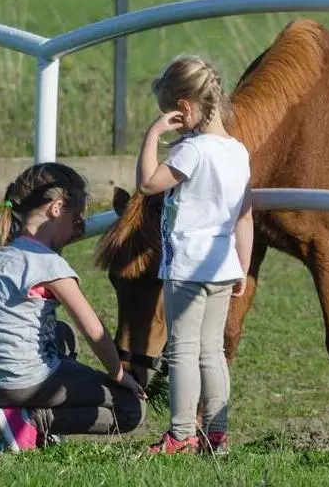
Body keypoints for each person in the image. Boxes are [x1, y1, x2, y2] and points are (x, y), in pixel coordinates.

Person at [0, 162, 147, 452]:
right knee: (130, 408)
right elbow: (92, 329)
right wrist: (118, 374)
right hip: (22, 382)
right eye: (76, 220)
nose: (78, 230)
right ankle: (33, 420)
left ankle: (26, 418)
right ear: (57, 208)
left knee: (61, 332)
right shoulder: (50, 266)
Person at [137, 55, 253, 455]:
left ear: (184, 107)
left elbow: (148, 183)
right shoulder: (238, 152)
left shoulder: (192, 151)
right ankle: (216, 432)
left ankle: (182, 432)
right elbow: (245, 214)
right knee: (213, 351)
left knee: (183, 349)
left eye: (169, 113)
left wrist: (152, 135)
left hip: (186, 266)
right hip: (223, 266)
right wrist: (244, 265)